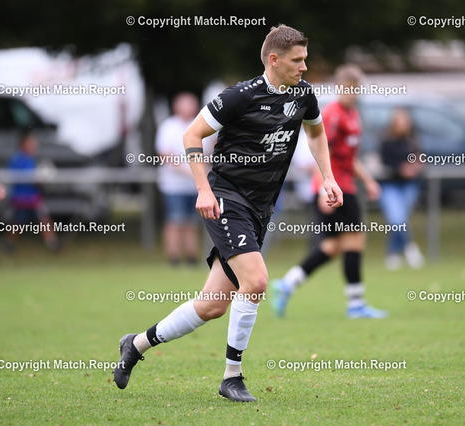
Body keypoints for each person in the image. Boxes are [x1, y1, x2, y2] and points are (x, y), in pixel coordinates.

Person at [113, 24, 343, 402]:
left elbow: (315, 133)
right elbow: (192, 135)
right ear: (274, 60)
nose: (304, 67)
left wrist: (328, 177)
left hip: (260, 209)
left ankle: (135, 344)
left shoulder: (303, 95)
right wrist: (204, 189)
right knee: (257, 281)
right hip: (226, 199)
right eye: (298, 60)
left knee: (213, 305)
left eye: (305, 59)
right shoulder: (239, 96)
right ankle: (231, 377)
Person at [271, 64, 387, 319]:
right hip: (335, 188)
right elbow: (321, 154)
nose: (351, 94)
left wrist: (368, 180)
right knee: (355, 240)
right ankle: (356, 305)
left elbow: (348, 157)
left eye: (354, 89)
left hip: (344, 186)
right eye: (346, 89)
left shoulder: (353, 114)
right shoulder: (333, 115)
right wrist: (324, 189)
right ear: (338, 88)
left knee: (332, 246)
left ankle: (287, 284)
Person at [156, 92, 201, 266]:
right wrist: (188, 171)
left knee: (191, 223)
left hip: (195, 186)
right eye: (186, 104)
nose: (190, 107)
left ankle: (191, 258)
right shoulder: (168, 127)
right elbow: (165, 154)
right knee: (175, 221)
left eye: (192, 103)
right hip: (174, 185)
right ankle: (173, 258)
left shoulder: (198, 124)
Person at [378, 108, 424, 270]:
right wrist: (401, 169)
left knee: (401, 220)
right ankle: (409, 247)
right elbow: (386, 162)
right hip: (391, 185)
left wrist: (416, 166)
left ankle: (393, 253)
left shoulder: (412, 141)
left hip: (409, 185)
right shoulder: (386, 141)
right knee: (396, 220)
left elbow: (419, 157)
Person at [5, 130, 59, 252]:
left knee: (44, 219)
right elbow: (27, 177)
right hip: (21, 198)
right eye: (31, 143)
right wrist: (40, 176)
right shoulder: (17, 159)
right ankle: (8, 243)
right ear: (24, 143)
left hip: (34, 198)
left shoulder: (31, 159)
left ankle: (52, 243)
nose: (34, 146)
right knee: (17, 222)